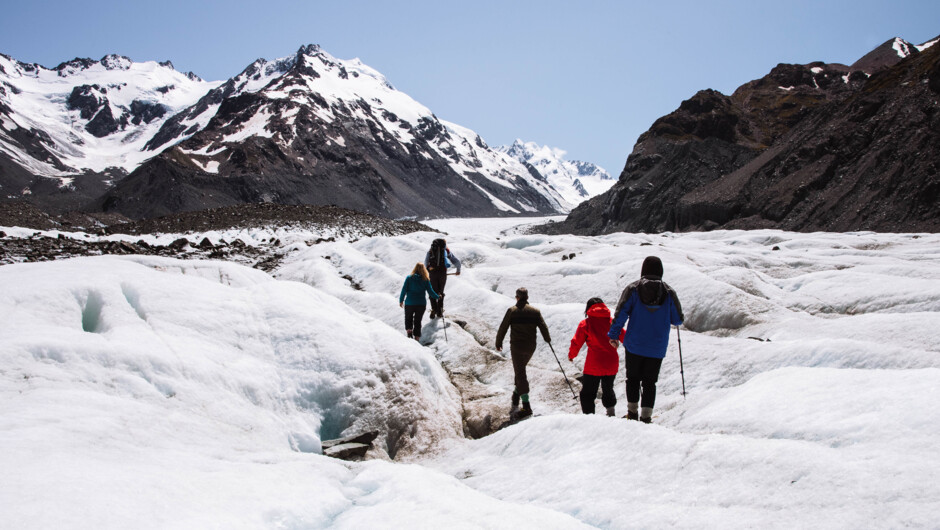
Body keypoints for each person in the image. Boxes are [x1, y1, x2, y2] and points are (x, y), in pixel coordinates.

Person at [608, 256, 684, 423]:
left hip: (634, 344)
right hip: (657, 346)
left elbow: (620, 314)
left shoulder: (633, 289)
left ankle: (632, 414)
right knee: (650, 383)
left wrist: (613, 335)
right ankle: (646, 417)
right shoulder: (669, 292)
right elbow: (677, 320)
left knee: (633, 379)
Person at [495, 287, 551, 419]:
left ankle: (526, 406)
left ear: (518, 297)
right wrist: (547, 339)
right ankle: (515, 397)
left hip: (517, 347)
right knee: (520, 370)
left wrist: (498, 343)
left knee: (520, 373)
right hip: (531, 347)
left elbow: (503, 327)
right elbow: (543, 326)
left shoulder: (512, 311)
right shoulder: (535, 311)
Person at [569, 297, 624, 416]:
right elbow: (626, 338)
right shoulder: (612, 322)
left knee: (587, 393)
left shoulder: (586, 323)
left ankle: (589, 418)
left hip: (594, 364)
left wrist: (571, 355)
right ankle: (611, 414)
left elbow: (576, 342)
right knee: (608, 389)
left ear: (588, 309)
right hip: (611, 363)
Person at [399, 263, 440, 342]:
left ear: (415, 268)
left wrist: (401, 300)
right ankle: (417, 338)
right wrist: (438, 297)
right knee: (418, 321)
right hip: (421, 304)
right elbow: (431, 292)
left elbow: (404, 290)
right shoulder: (426, 279)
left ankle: (409, 332)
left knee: (408, 318)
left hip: (409, 303)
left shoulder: (409, 278)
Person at [424, 238, 461, 319]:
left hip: (432, 274)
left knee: (432, 292)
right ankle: (440, 311)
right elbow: (456, 261)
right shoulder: (446, 251)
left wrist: (428, 271)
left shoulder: (430, 251)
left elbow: (426, 262)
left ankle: (434, 309)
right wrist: (458, 270)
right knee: (441, 292)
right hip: (442, 274)